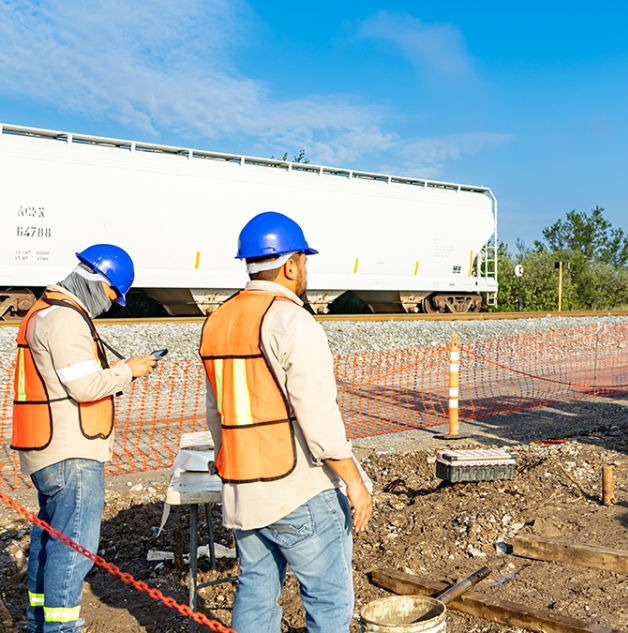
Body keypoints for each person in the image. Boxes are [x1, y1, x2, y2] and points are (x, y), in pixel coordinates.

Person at [201, 211, 373, 633]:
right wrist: (353, 480)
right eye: (304, 262)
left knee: (257, 591)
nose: (306, 271)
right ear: (290, 264)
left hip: (243, 492)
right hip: (297, 489)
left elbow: (215, 412)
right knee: (329, 601)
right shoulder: (292, 321)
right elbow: (318, 415)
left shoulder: (217, 322)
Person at [13, 245, 159, 633]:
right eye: (114, 294)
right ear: (100, 280)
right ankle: (60, 628)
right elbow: (84, 386)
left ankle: (38, 623)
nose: (112, 304)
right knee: (72, 549)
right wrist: (129, 370)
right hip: (71, 451)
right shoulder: (65, 320)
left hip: (51, 447)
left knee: (49, 541)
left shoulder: (47, 311)